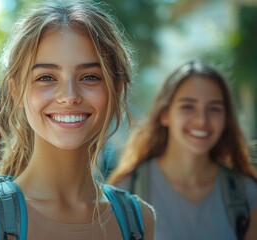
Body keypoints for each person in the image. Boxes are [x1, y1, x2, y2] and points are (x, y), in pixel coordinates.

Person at [0, 1, 155, 239]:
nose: (69, 96)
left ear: (116, 90)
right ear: (16, 92)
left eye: (89, 77)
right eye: (46, 77)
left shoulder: (138, 220)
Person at [108, 60, 257, 240]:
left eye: (214, 109)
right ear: (164, 114)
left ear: (226, 119)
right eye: (188, 106)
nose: (202, 120)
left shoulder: (248, 194)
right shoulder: (126, 192)